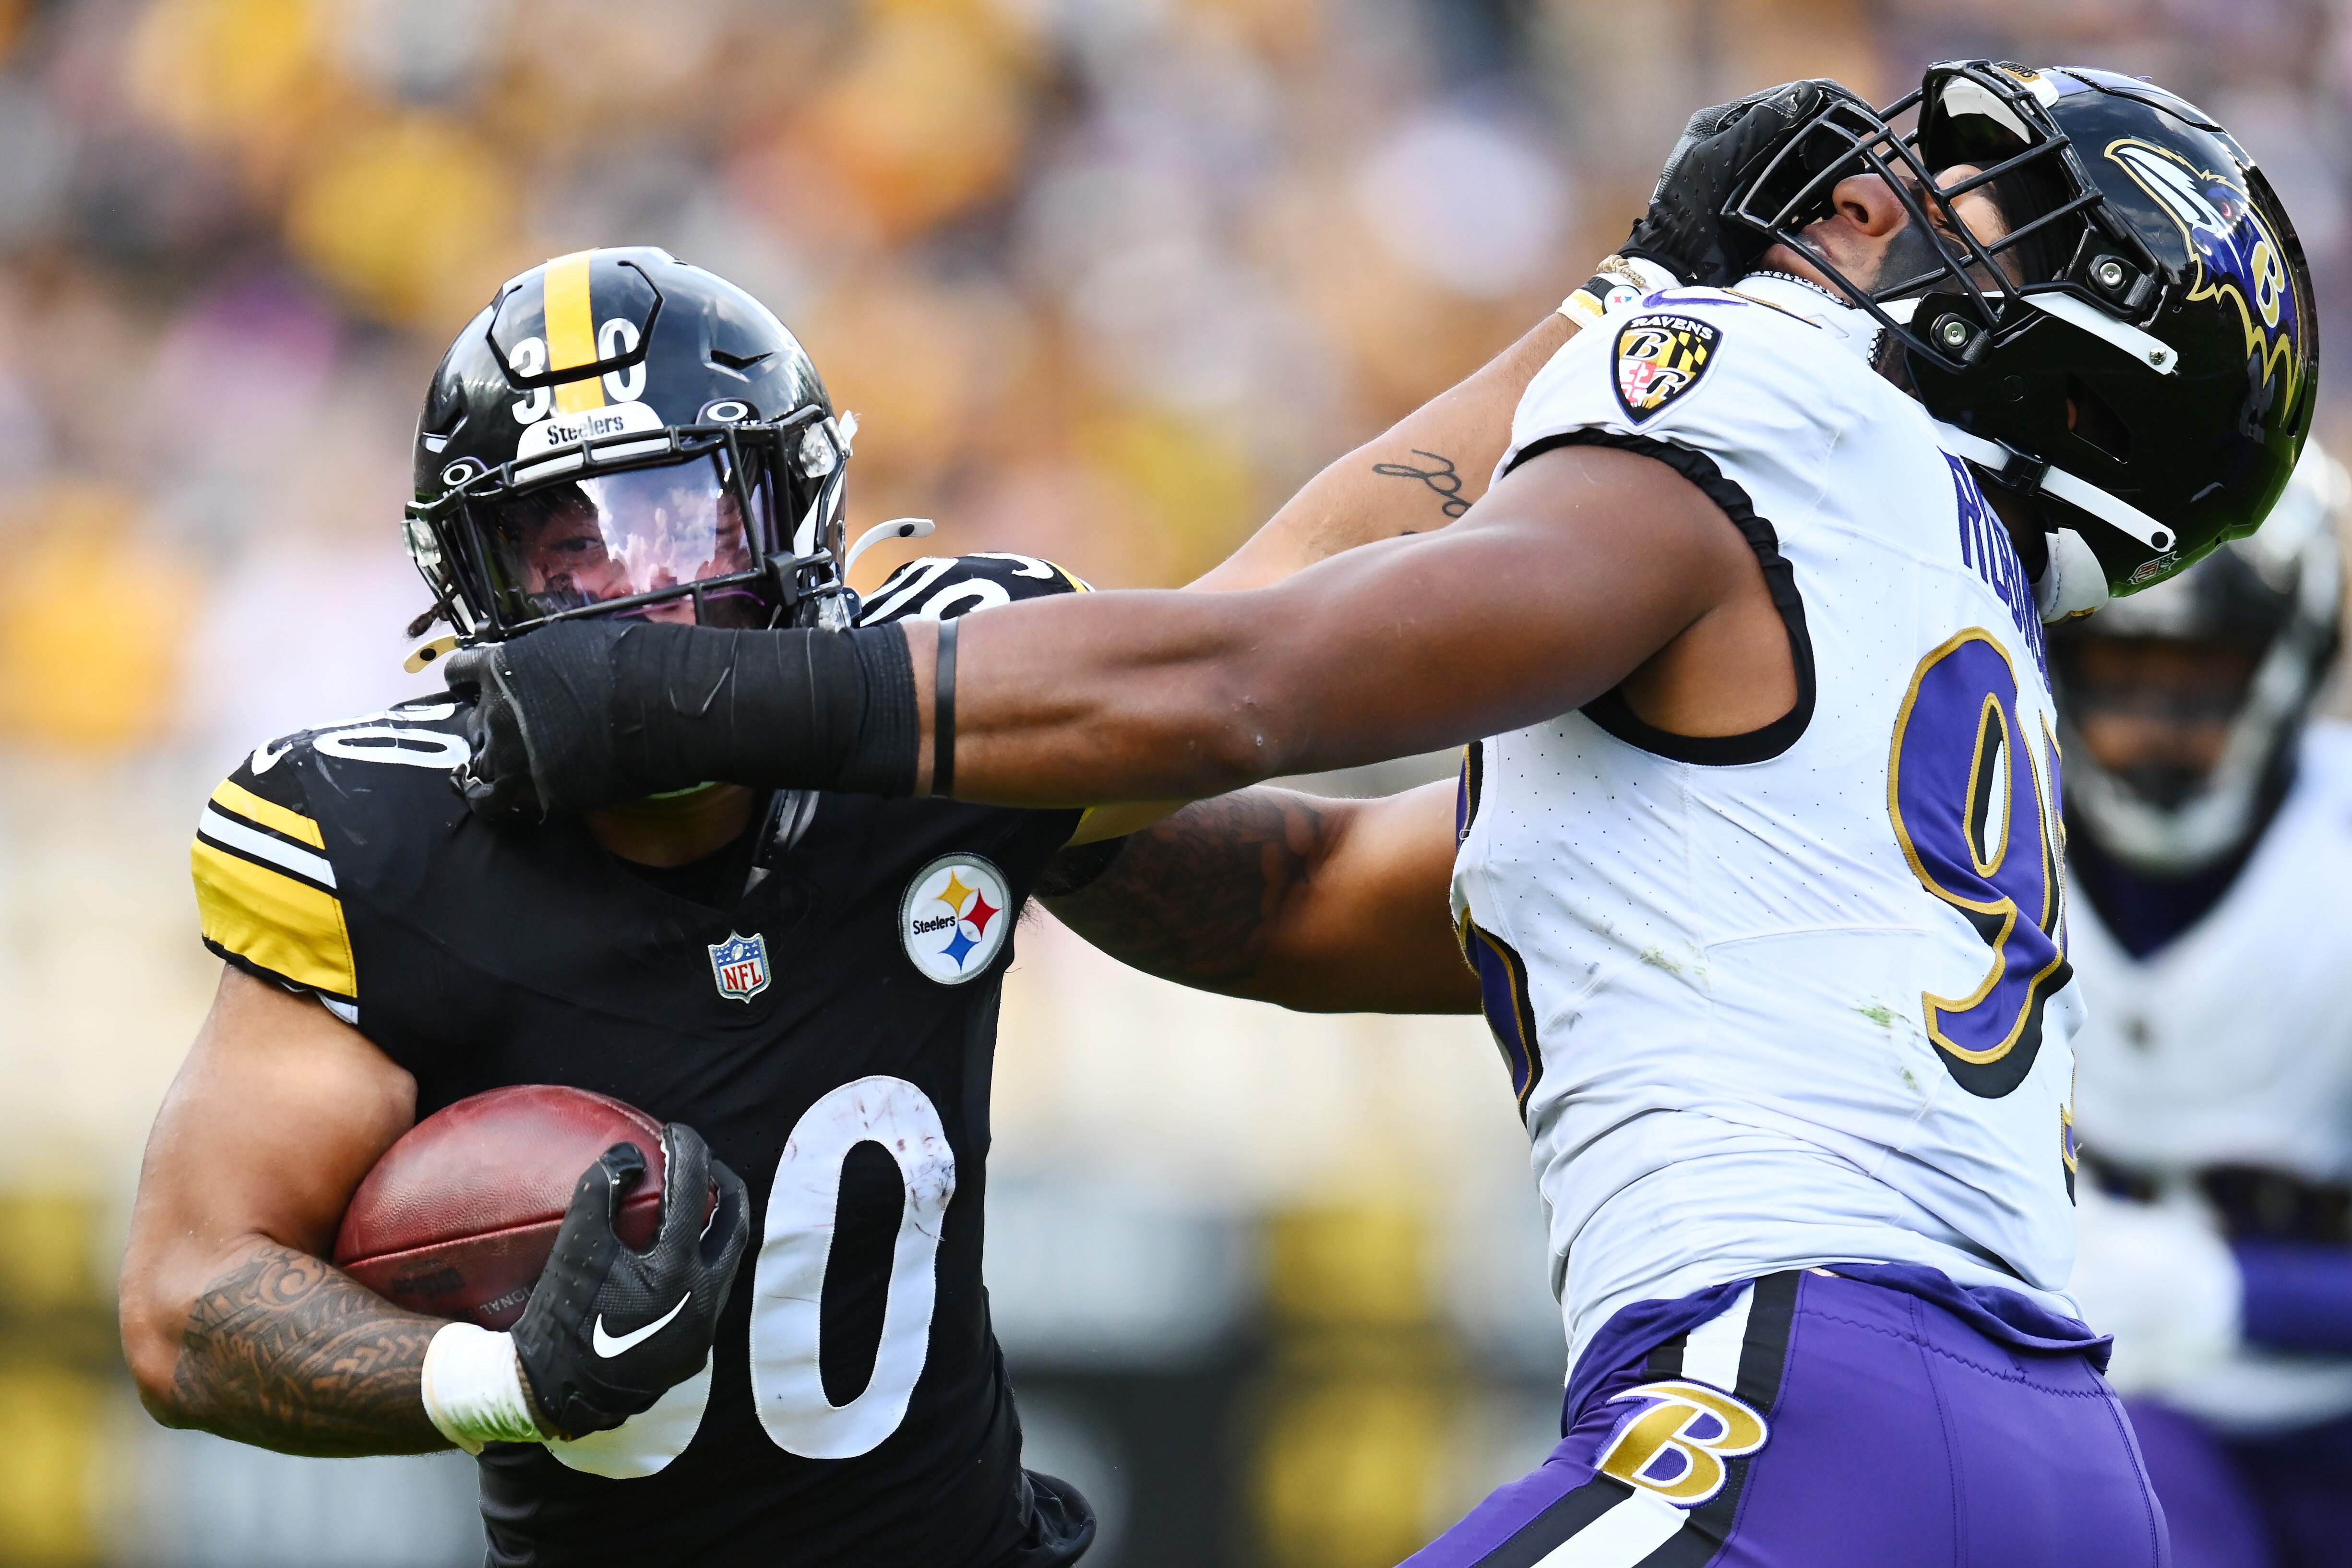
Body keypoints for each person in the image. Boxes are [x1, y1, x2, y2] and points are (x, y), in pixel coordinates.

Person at [449, 63, 2317, 1564]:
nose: (1871, 196)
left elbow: (1247, 685)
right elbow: (1296, 893)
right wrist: (1012, 804)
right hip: (2048, 1474)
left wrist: (706, 695)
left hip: (1803, 1411)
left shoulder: (1785, 424)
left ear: (2089, 354)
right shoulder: (1895, 614)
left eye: (1974, 207)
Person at [120, 153, 1783, 1567]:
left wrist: (1620, 308)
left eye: (687, 519)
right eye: (567, 541)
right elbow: (186, 1299)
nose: (643, 594)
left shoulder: (932, 709)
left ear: (797, 511)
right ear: (465, 580)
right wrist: (496, 1378)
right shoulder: (389, 833)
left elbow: (1280, 622)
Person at [2052, 443, 2352, 1568]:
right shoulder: (1982, 851)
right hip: (2136, 1433)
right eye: (2114, 677)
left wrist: (2237, 1292)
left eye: (2198, 677)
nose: (2151, 731)